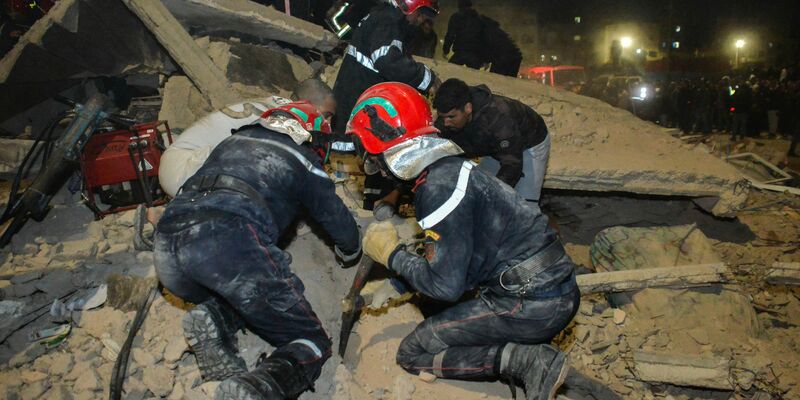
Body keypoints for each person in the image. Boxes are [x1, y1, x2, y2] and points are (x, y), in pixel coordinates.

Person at [347, 82, 580, 400]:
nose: (376, 169)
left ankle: (528, 360)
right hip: (554, 287)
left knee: (412, 352)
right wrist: (397, 286)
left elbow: (447, 287)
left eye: (372, 159)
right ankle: (520, 346)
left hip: (531, 303)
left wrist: (392, 255)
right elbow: (460, 255)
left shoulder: (437, 191)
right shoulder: (451, 169)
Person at [153, 101, 361, 400]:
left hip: (168, 247)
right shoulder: (303, 158)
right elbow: (338, 221)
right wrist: (351, 253)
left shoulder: (232, 141)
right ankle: (256, 389)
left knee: (241, 294)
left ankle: (215, 317)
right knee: (311, 341)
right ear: (311, 135)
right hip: (226, 239)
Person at [158, 78, 339, 198]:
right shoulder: (278, 119)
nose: (328, 123)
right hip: (183, 169)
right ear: (306, 103)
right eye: (326, 115)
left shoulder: (276, 106)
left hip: (184, 164)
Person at [331, 0, 440, 134]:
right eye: (420, 13)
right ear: (408, 5)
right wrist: (426, 78)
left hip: (354, 99)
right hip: (354, 105)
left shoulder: (385, 17)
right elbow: (388, 61)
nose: (421, 20)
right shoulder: (388, 21)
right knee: (348, 143)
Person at [433, 78, 551, 202]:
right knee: (477, 189)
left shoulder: (499, 120)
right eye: (442, 117)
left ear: (468, 108)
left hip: (530, 143)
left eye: (451, 117)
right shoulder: (448, 117)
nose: (446, 123)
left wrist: (492, 195)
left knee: (522, 202)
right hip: (494, 145)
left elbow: (512, 166)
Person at [442, 0, 483, 69]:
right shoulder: (478, 19)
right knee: (474, 74)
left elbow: (450, 35)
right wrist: (483, 58)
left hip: (460, 51)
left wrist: (446, 50)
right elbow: (482, 39)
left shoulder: (456, 17)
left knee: (450, 70)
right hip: (474, 54)